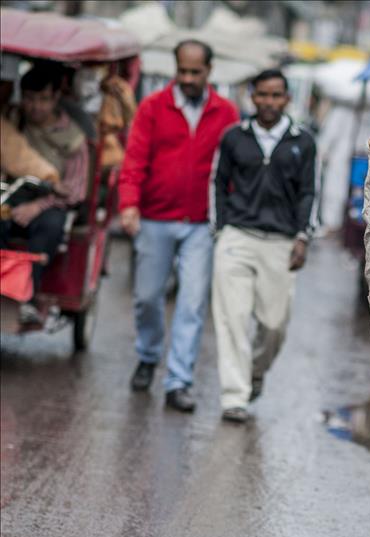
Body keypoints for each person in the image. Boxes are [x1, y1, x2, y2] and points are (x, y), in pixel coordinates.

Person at [119, 40, 239, 412]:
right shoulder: (153, 107)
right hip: (155, 218)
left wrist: (229, 217)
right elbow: (135, 159)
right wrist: (128, 205)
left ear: (209, 71)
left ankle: (178, 382)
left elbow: (233, 169)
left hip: (201, 225)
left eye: (195, 72)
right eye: (182, 71)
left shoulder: (226, 113)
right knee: (147, 298)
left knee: (190, 304)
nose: (188, 78)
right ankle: (148, 355)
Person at [210, 69, 316, 423]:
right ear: (251, 97)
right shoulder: (233, 138)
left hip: (281, 242)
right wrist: (220, 229)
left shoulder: (303, 140)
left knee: (274, 326)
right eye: (262, 95)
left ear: (287, 99)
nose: (268, 102)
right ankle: (234, 396)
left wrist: (303, 236)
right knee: (232, 319)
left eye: (276, 95)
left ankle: (254, 373)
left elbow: (308, 193)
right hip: (237, 237)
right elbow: (218, 181)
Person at [0, 65, 89, 325]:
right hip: (13, 192)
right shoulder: (11, 122)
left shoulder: (73, 138)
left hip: (52, 202)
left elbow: (76, 191)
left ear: (55, 98)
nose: (35, 107)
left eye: (42, 100)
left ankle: (27, 296)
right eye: (29, 98)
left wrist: (38, 206)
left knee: (50, 227)